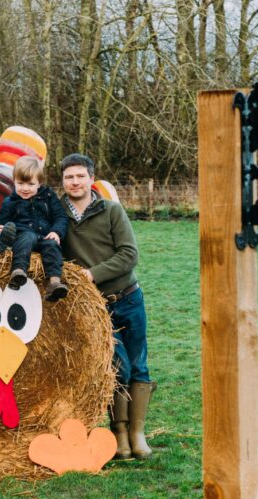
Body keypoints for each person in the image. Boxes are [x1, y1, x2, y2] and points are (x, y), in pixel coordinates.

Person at [59, 153, 155, 460]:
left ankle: (137, 434)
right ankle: (119, 432)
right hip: (96, 308)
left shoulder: (111, 211)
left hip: (128, 296)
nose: (74, 182)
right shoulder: (59, 217)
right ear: (63, 182)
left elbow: (129, 254)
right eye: (68, 177)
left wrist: (92, 273)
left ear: (91, 178)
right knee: (117, 366)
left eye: (79, 176)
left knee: (139, 364)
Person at [0, 156, 69, 301]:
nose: (25, 188)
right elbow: (0, 222)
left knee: (52, 245)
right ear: (14, 181)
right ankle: (18, 271)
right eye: (20, 183)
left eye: (31, 184)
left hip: (44, 236)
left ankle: (54, 282)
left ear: (39, 183)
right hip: (23, 236)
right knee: (28, 237)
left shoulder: (49, 197)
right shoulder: (10, 202)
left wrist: (56, 232)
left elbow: (61, 217)